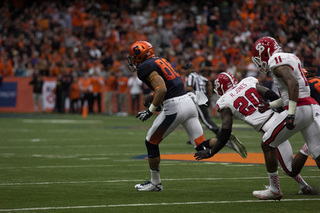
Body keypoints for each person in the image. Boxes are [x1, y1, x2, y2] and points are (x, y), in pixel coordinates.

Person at [127, 41, 247, 192]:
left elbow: (161, 89)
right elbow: (167, 86)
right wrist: (152, 98)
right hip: (188, 103)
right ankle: (225, 140)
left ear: (139, 56)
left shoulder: (145, 67)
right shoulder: (161, 60)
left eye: (133, 56)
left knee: (151, 142)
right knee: (201, 146)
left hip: (174, 107)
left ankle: (155, 183)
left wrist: (150, 110)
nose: (131, 60)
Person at [194, 72, 319, 200]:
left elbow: (225, 133)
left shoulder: (224, 101)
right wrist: (281, 111)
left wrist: (211, 152)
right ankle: (304, 186)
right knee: (279, 159)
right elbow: (271, 94)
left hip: (268, 127)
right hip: (279, 118)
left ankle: (307, 147)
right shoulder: (247, 82)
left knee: (289, 169)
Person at [182, 63, 220, 136]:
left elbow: (189, 88)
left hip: (198, 97)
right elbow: (209, 83)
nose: (184, 71)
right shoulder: (199, 76)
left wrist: (180, 91)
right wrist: (210, 95)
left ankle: (218, 131)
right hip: (204, 95)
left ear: (190, 69)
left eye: (186, 69)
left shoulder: (189, 76)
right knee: (193, 118)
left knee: (204, 119)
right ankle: (195, 136)